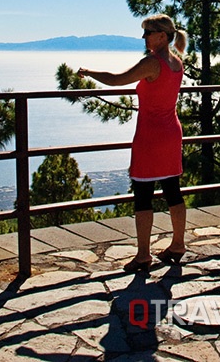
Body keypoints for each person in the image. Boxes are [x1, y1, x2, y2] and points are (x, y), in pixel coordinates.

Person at [77, 14, 188, 272]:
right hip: (171, 132)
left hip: (150, 136)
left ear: (162, 36)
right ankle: (178, 244)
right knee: (173, 190)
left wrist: (88, 72)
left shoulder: (152, 63)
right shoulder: (177, 63)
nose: (144, 38)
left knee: (143, 195)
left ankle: (142, 255)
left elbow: (117, 79)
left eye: (148, 32)